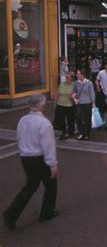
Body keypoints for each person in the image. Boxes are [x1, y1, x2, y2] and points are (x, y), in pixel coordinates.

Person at [3, 94, 59, 230]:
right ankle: (46, 213)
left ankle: (11, 214)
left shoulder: (22, 120)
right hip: (40, 159)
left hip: (25, 158)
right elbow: (48, 146)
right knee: (51, 186)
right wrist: (53, 165)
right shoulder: (44, 123)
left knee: (30, 186)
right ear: (41, 105)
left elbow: (19, 137)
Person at [73, 69, 96, 140]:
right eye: (76, 74)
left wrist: (93, 103)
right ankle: (81, 132)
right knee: (78, 118)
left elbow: (92, 93)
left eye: (78, 74)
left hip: (87, 103)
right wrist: (75, 99)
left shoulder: (89, 83)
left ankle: (86, 134)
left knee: (87, 119)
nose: (76, 75)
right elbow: (73, 92)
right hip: (79, 103)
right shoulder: (76, 83)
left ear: (82, 75)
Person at [54, 71, 76, 140]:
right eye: (65, 77)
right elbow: (57, 94)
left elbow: (77, 94)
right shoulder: (62, 84)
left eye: (68, 77)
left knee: (70, 120)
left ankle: (71, 132)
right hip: (60, 104)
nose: (66, 78)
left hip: (69, 105)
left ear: (72, 78)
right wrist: (55, 104)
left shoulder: (74, 85)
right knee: (61, 120)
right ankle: (63, 132)